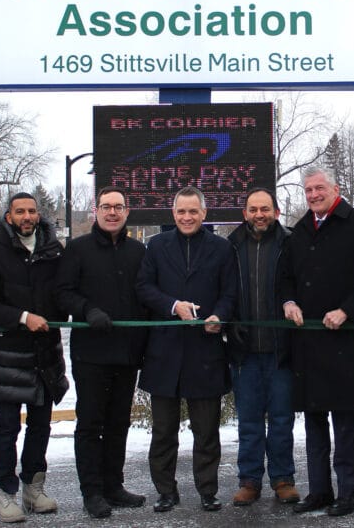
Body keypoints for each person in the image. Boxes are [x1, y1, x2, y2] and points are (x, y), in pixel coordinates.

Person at [279, 168, 354, 518]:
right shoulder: (299, 230)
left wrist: (346, 310)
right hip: (308, 343)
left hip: (345, 341)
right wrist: (289, 302)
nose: (313, 194)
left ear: (335, 189)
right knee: (313, 423)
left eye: (319, 188)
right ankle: (319, 490)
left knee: (344, 421)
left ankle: (347, 492)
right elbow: (285, 278)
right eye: (308, 189)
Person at [135, 186, 237, 514]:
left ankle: (207, 489)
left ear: (204, 214)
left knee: (206, 431)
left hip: (205, 352)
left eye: (193, 211)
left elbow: (230, 292)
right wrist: (172, 305)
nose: (187, 217)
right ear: (173, 213)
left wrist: (219, 316)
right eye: (181, 211)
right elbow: (144, 287)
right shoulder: (156, 246)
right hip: (164, 354)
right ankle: (165, 491)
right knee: (163, 432)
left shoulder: (222, 249)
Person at [0, 192, 68, 523]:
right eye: (19, 211)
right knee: (8, 428)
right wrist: (23, 317)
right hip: (8, 356)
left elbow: (64, 293)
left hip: (45, 355)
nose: (26, 216)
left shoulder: (53, 250)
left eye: (31, 210)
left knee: (41, 425)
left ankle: (33, 487)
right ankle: (6, 493)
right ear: (9, 216)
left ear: (38, 214)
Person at [55, 187, 149, 519]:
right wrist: (87, 310)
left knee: (119, 422)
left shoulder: (139, 251)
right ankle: (92, 491)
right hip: (91, 354)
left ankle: (114, 485)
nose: (112, 212)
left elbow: (146, 295)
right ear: (96, 211)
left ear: (127, 212)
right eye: (106, 207)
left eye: (118, 207)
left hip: (127, 354)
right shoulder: (77, 250)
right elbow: (63, 294)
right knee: (91, 423)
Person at [226, 187, 298, 507]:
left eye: (265, 209)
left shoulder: (290, 244)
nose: (259, 214)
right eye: (253, 209)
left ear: (276, 212)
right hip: (245, 351)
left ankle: (283, 478)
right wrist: (230, 323)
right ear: (245, 213)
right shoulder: (231, 246)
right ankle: (250, 480)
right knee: (250, 421)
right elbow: (223, 291)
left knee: (282, 419)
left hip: (280, 349)